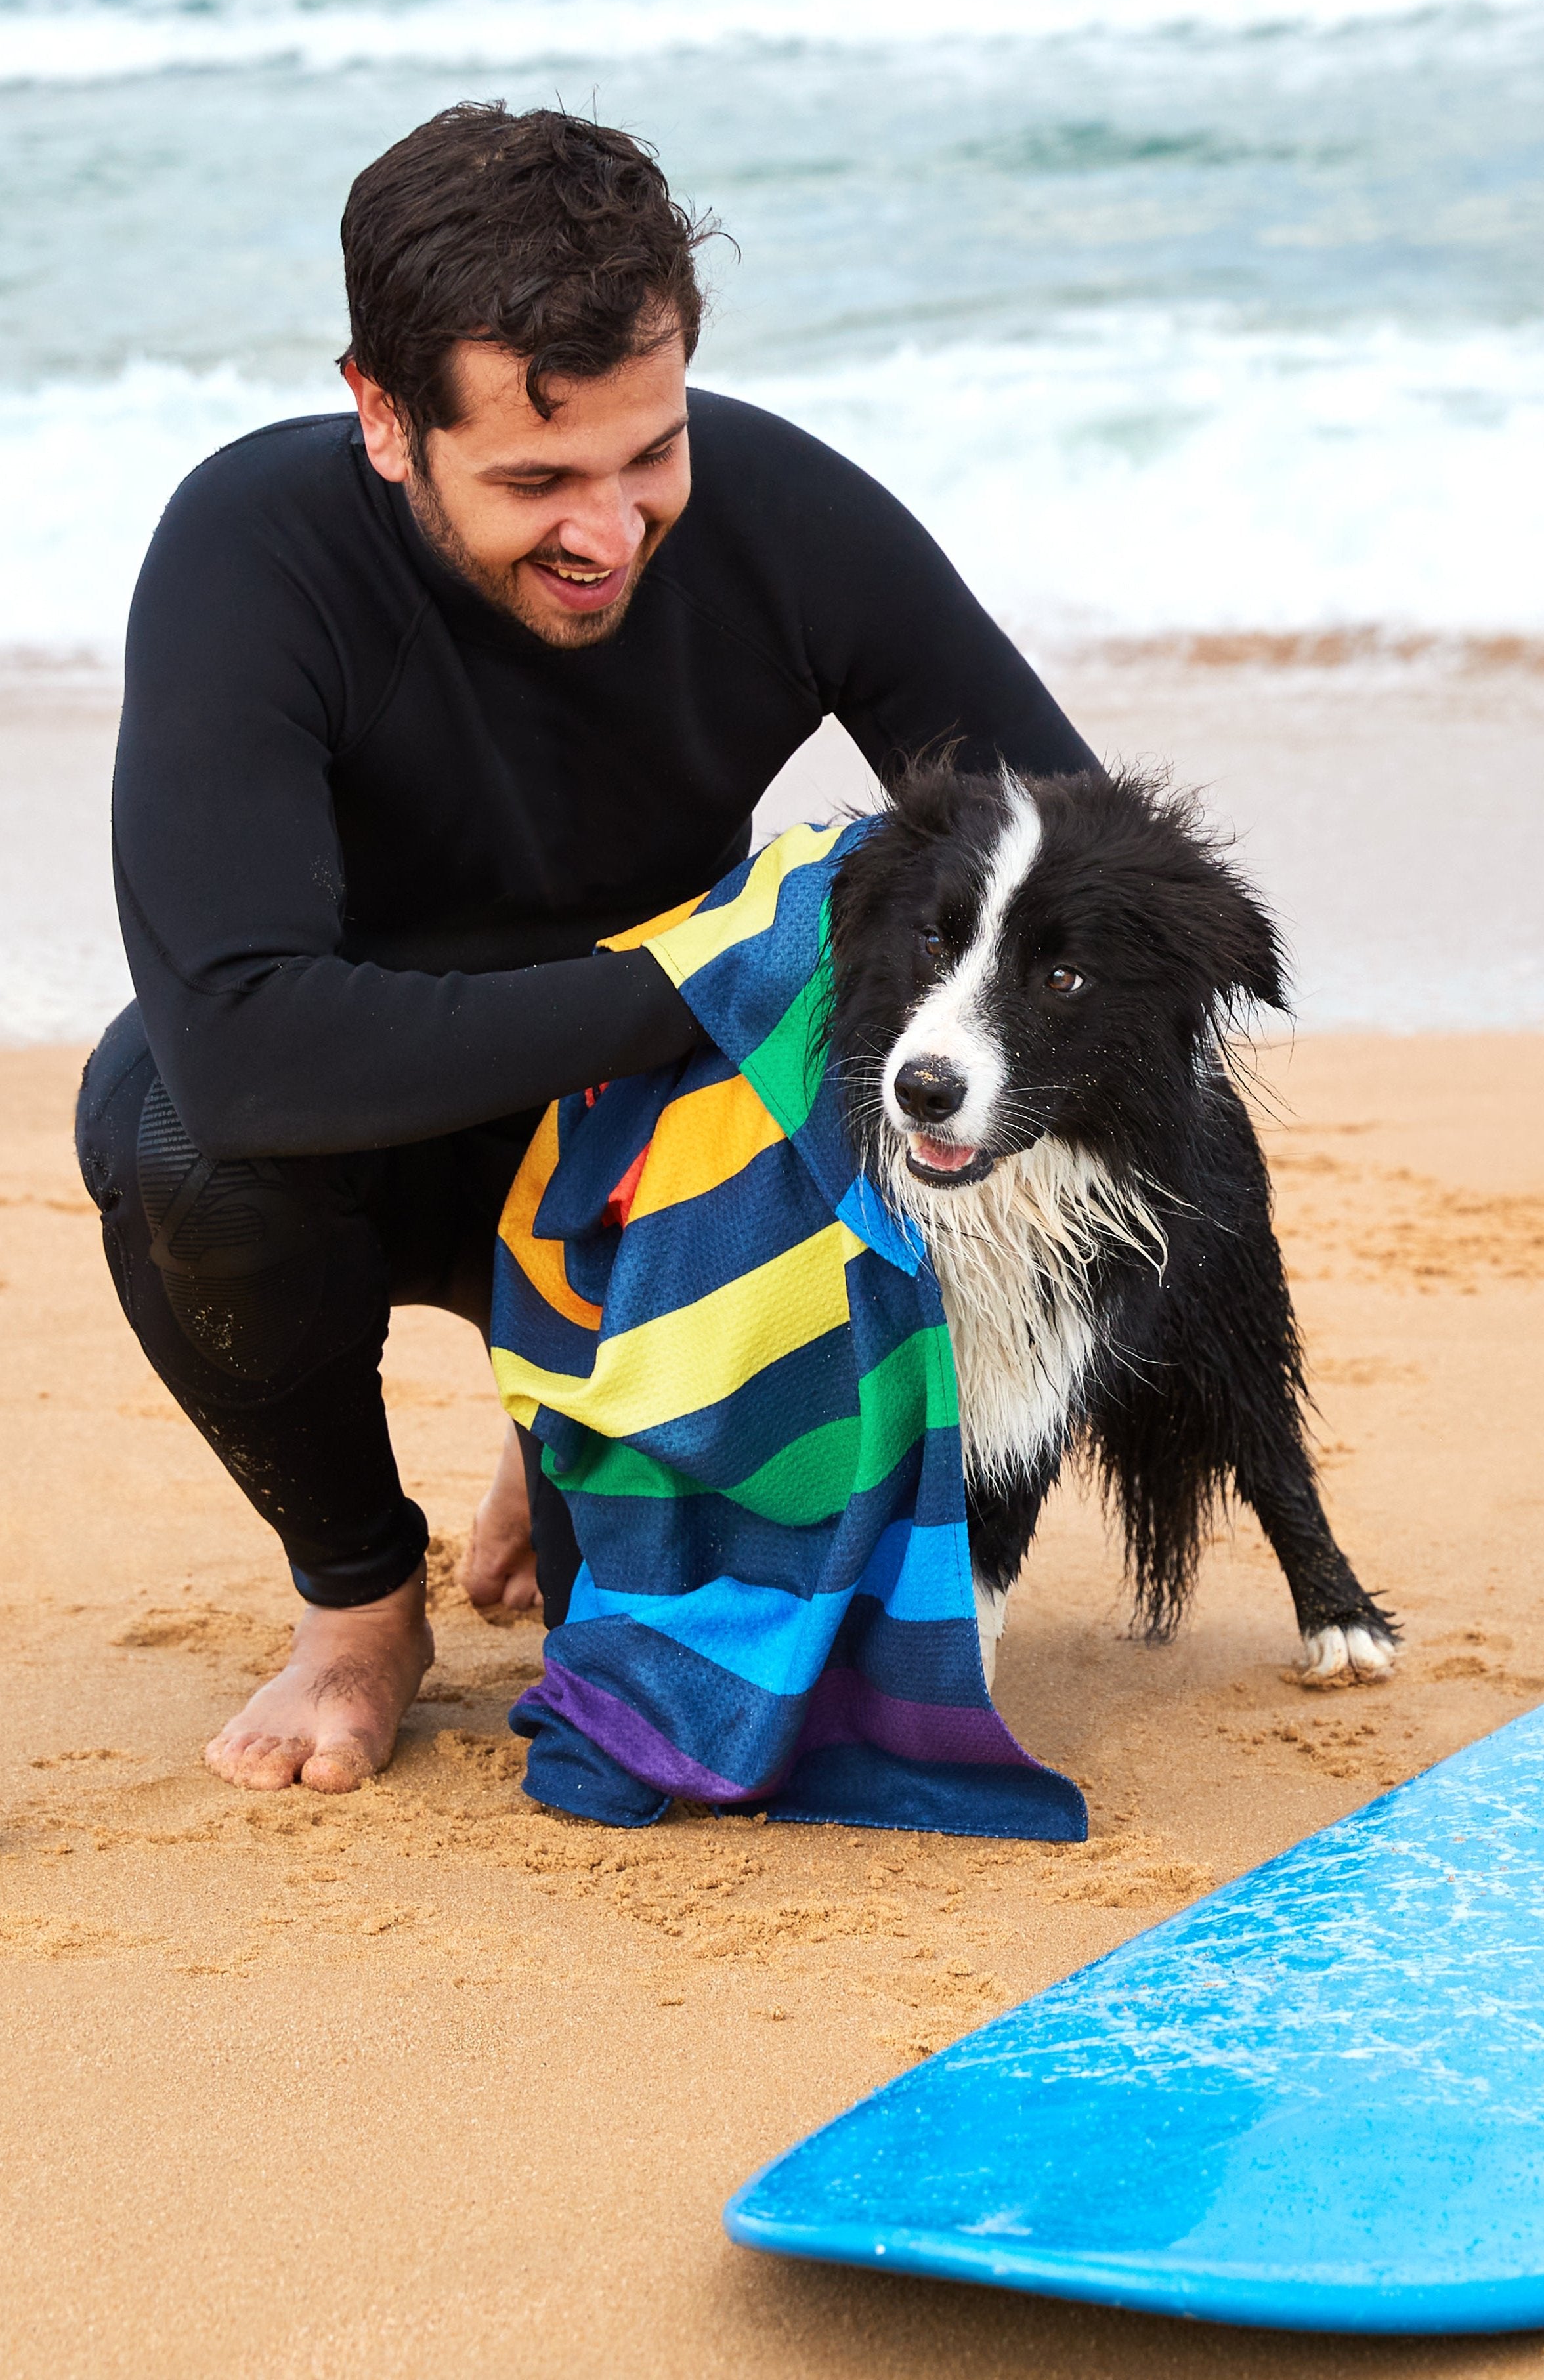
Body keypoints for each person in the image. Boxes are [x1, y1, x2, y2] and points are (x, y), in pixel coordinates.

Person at [77, 101, 1098, 1798]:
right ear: (385, 419)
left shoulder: (776, 513)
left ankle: (573, 1414)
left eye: (651, 453)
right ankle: (359, 1605)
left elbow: (1065, 850)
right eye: (538, 478)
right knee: (168, 1131)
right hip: (368, 1129)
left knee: (636, 1644)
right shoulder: (253, 556)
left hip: (668, 1188)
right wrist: (697, 973)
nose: (614, 528)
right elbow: (249, 1045)